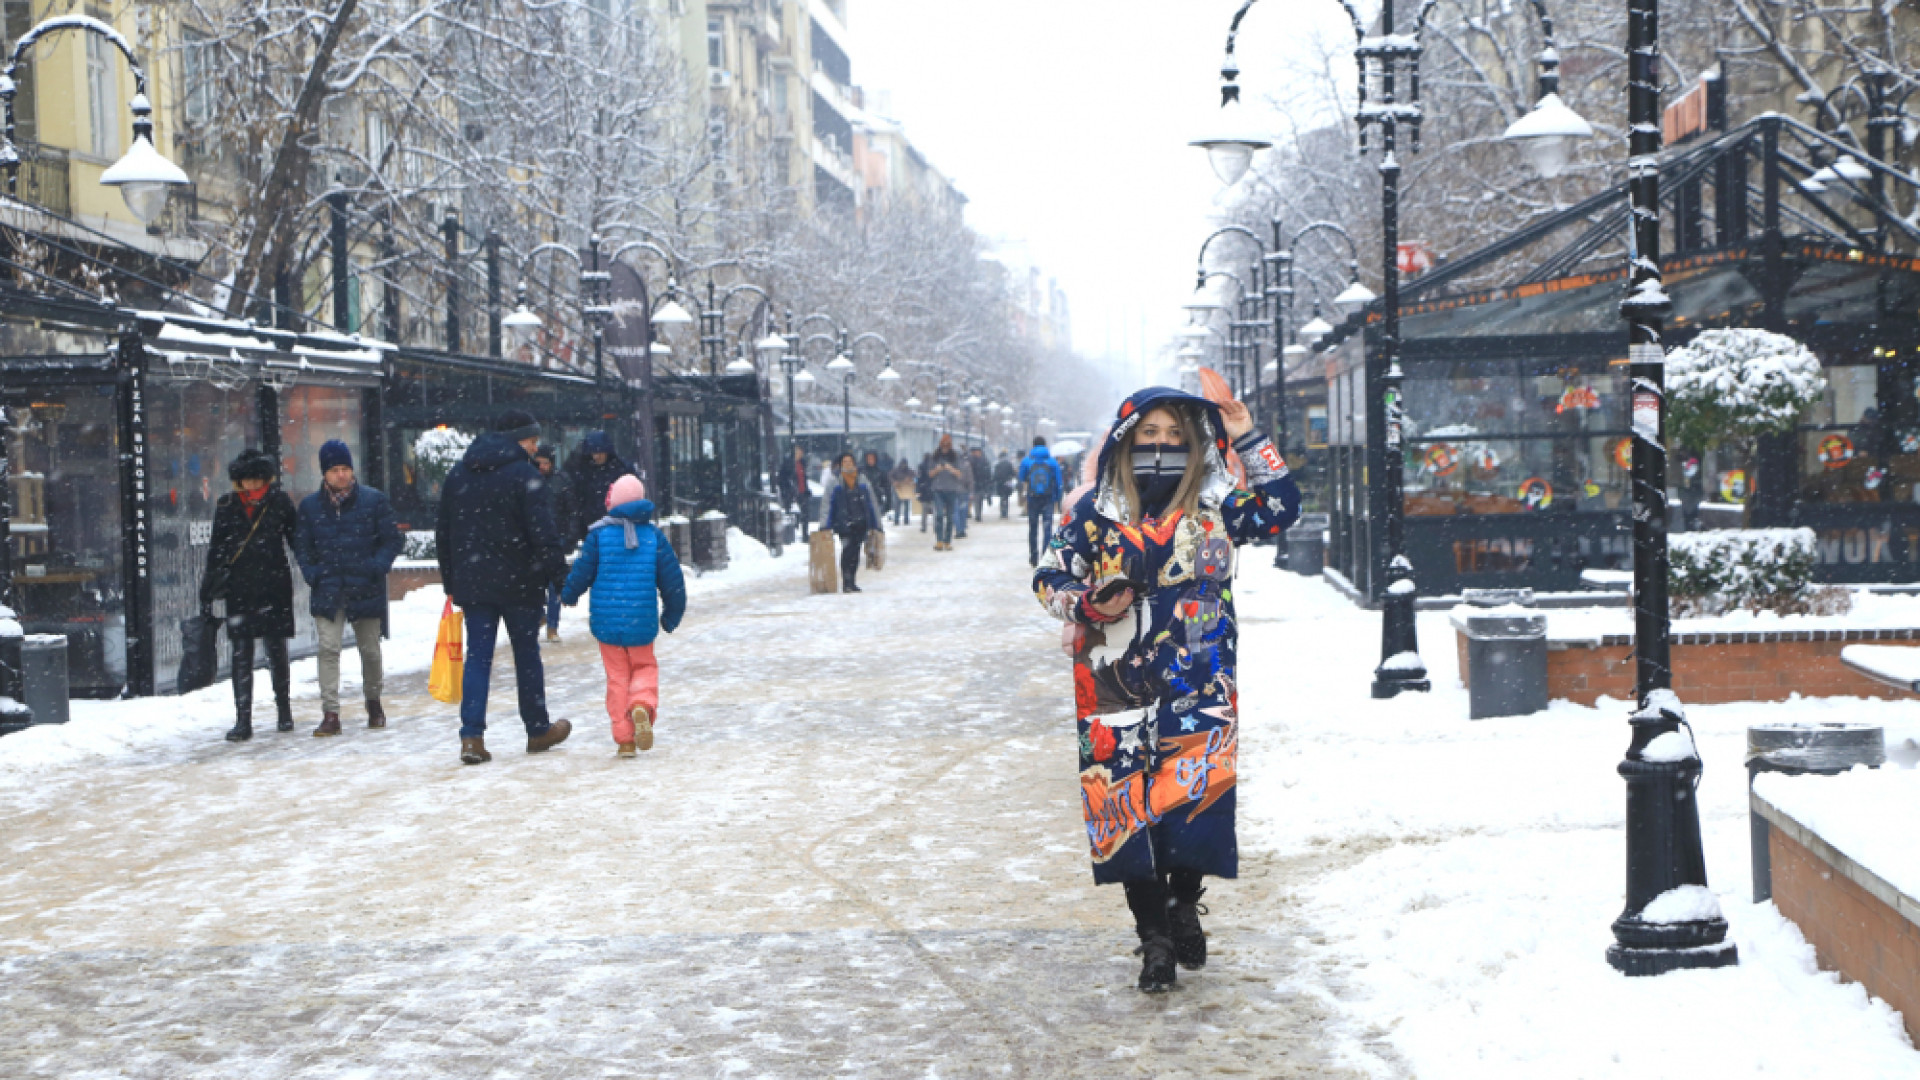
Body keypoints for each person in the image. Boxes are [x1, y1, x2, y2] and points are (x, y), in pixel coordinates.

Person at [1031, 388, 1300, 993]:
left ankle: (1183, 905)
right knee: (1125, 811)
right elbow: (1047, 579)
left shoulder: (1219, 509)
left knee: (1190, 802)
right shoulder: (1092, 518)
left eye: (1173, 435)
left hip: (1199, 679)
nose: (1160, 446)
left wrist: (1248, 436)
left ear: (1194, 443)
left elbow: (1282, 507)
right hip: (1111, 685)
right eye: (1148, 435)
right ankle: (1152, 938)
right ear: (1126, 443)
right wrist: (1085, 602)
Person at [437, 409, 573, 765]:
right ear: (517, 440)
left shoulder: (459, 474)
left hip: (475, 583)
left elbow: (444, 533)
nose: (534, 447)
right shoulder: (525, 476)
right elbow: (543, 532)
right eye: (531, 440)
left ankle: (471, 736)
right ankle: (537, 729)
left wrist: (453, 580)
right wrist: (560, 577)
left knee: (478, 657)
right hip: (520, 581)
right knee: (526, 655)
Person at [562, 474, 687, 758]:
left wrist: (569, 595)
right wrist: (672, 614)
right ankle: (641, 704)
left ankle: (625, 739)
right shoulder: (653, 536)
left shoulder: (598, 536)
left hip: (607, 624)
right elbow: (672, 580)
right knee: (643, 668)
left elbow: (582, 571)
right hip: (641, 622)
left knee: (617, 678)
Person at [293, 439, 403, 737]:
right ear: (325, 474)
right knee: (328, 648)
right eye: (335, 470)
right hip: (328, 587)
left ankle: (374, 701)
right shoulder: (310, 507)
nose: (341, 475)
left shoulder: (373, 500)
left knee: (370, 649)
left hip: (365, 586)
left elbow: (391, 539)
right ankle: (331, 712)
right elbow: (302, 545)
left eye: (345, 469)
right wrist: (312, 572)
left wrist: (376, 567)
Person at [201, 449, 299, 743]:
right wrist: (207, 589)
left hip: (273, 585)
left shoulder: (279, 502)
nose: (252, 485)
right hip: (240, 588)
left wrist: (315, 572)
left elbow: (296, 540)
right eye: (246, 479)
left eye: (257, 479)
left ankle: (284, 710)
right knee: (241, 653)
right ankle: (243, 719)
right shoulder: (227, 505)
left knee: (276, 650)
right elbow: (217, 549)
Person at [532, 445, 576, 641]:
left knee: (554, 584)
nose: (541, 466)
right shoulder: (528, 480)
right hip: (534, 539)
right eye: (539, 462)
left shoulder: (561, 482)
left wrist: (570, 537)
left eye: (545, 463)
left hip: (555, 538)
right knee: (533, 582)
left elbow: (572, 511)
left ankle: (552, 626)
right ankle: (540, 615)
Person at [822, 452, 884, 592]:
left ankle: (852, 581)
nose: (848, 464)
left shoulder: (862, 480)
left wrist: (877, 524)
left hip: (860, 522)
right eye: (845, 461)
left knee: (855, 552)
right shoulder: (835, 481)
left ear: (854, 463)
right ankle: (846, 581)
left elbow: (871, 502)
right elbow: (827, 503)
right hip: (843, 523)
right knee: (847, 550)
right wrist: (824, 524)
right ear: (841, 464)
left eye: (850, 461)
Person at [563, 430, 635, 541]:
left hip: (615, 525)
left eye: (600, 453)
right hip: (593, 526)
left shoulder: (621, 469)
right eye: (593, 453)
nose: (596, 456)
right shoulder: (583, 471)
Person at [1017, 437, 1067, 568]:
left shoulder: (1027, 460)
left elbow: (1021, 477)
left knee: (1032, 528)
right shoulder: (1052, 462)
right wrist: (1057, 498)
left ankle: (1033, 556)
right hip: (1048, 498)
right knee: (1047, 528)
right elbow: (1058, 482)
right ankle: (1045, 556)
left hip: (1033, 498)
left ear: (1033, 445)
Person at [927, 436, 968, 551]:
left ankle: (947, 541)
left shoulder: (955, 457)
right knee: (939, 515)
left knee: (950, 517)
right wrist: (938, 469)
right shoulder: (935, 457)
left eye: (947, 445)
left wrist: (951, 469)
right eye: (943, 444)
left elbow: (960, 474)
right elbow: (930, 474)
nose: (945, 447)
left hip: (951, 490)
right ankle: (939, 540)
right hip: (938, 489)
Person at [889, 456, 917, 526]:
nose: (904, 466)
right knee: (897, 505)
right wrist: (894, 482)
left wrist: (910, 480)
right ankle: (896, 520)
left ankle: (906, 520)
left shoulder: (909, 471)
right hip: (898, 489)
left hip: (906, 489)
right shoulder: (895, 470)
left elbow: (916, 478)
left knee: (906, 505)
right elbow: (890, 476)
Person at [968, 447, 993, 524]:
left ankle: (978, 514)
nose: (975, 453)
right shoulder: (974, 460)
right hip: (976, 483)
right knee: (977, 499)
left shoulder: (983, 460)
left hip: (981, 483)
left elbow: (988, 472)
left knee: (979, 499)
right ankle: (977, 514)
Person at [992, 451, 1017, 519]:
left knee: (1002, 497)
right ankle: (1005, 511)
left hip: (1000, 483)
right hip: (1008, 482)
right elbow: (1013, 473)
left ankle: (1002, 511)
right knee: (1006, 497)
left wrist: (993, 481)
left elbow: (995, 475)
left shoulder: (997, 464)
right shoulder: (1009, 464)